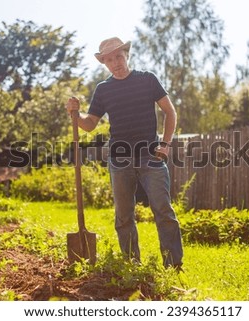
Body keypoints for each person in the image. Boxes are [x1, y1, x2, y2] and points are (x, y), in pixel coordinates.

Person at [65, 37, 183, 268]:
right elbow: (90, 124)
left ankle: (174, 265)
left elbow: (170, 112)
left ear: (126, 55)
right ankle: (131, 265)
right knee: (124, 216)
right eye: (109, 59)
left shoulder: (147, 80)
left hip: (151, 157)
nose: (116, 62)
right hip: (119, 160)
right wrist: (74, 115)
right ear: (104, 63)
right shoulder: (103, 90)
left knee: (163, 210)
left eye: (118, 56)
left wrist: (165, 144)